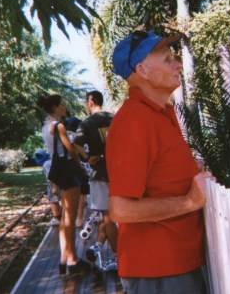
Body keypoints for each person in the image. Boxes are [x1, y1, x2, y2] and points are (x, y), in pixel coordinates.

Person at [106, 28, 215, 293]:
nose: (177, 63)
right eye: (167, 59)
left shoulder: (159, 114)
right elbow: (121, 209)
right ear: (142, 71)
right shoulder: (136, 120)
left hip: (176, 265)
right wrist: (189, 201)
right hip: (159, 271)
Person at [35, 94, 92, 275]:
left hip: (57, 170)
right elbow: (71, 149)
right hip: (68, 169)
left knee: (64, 217)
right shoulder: (58, 126)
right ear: (55, 107)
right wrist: (81, 166)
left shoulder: (46, 126)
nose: (65, 106)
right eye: (62, 104)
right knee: (71, 216)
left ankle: (64, 259)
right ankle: (73, 260)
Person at [72, 90, 118, 271]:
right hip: (120, 172)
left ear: (90, 103)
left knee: (108, 218)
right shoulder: (114, 118)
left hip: (100, 173)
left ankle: (119, 258)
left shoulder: (87, 122)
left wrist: (87, 157)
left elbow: (76, 144)